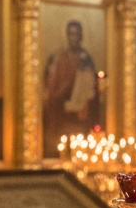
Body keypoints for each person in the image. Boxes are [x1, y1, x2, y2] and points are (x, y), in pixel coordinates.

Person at [43, 20, 100, 152]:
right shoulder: (58, 58)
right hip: (61, 109)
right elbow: (51, 88)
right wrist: (61, 90)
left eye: (76, 34)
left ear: (81, 36)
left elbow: (92, 89)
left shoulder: (86, 59)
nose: (73, 37)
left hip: (81, 112)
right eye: (71, 34)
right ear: (67, 36)